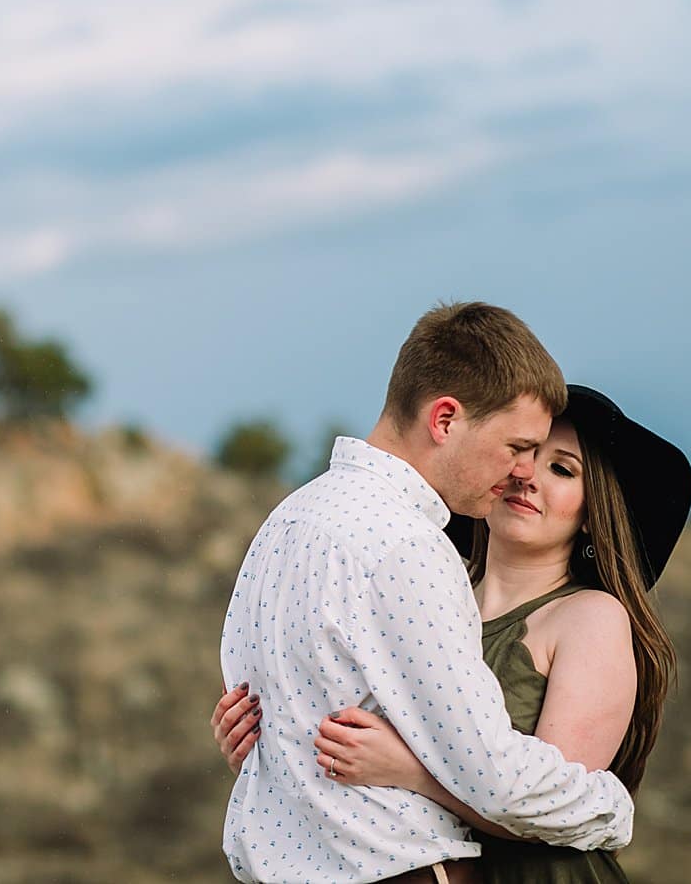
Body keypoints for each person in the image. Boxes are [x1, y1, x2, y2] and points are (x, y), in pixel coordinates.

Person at [216, 301, 635, 883]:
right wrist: (611, 808)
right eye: (517, 447)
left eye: (552, 465)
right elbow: (495, 779)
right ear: (444, 420)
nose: (522, 472)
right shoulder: (408, 549)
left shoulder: (285, 523)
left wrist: (273, 751)